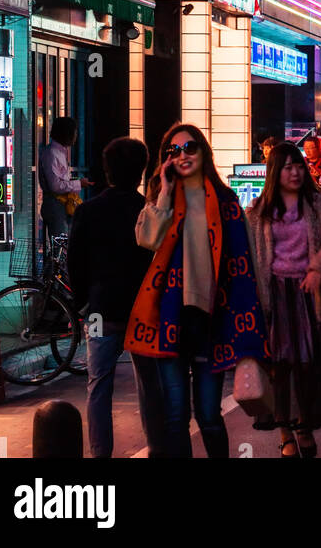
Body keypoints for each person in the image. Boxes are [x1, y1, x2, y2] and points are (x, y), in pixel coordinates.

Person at [125, 122, 269, 458]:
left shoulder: (226, 201)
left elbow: (247, 261)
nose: (183, 155)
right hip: (170, 318)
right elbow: (146, 239)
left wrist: (261, 309)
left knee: (208, 415)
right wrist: (162, 190)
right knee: (176, 417)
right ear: (166, 159)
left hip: (212, 319)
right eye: (174, 151)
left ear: (204, 151)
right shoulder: (162, 200)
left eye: (190, 147)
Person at [245, 142, 321, 457]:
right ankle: (284, 431)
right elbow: (248, 256)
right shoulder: (258, 211)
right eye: (288, 167)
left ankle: (304, 425)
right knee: (278, 366)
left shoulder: (319, 204)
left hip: (307, 294)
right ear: (275, 172)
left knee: (308, 364)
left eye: (299, 166)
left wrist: (319, 268)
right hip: (273, 295)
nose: (295, 172)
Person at [67, 136, 166, 459]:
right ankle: (156, 446)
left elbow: (75, 262)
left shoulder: (89, 211)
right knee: (150, 382)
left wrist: (83, 304)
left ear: (107, 170)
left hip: (98, 310)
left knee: (98, 383)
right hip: (142, 310)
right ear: (141, 170)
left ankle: (100, 453)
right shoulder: (146, 211)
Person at [38, 117, 93, 240]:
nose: (76, 136)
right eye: (74, 132)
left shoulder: (60, 152)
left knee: (65, 243)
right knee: (61, 246)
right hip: (55, 204)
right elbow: (55, 185)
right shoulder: (52, 153)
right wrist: (78, 184)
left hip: (62, 203)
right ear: (66, 133)